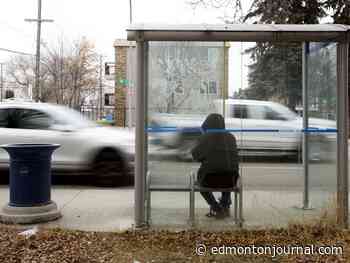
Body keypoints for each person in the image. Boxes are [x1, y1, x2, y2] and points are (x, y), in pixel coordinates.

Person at [191, 113, 239, 218]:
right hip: (231, 180)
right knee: (226, 170)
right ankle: (225, 205)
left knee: (200, 184)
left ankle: (216, 207)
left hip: (209, 180)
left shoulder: (205, 137)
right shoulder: (231, 137)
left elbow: (196, 156)